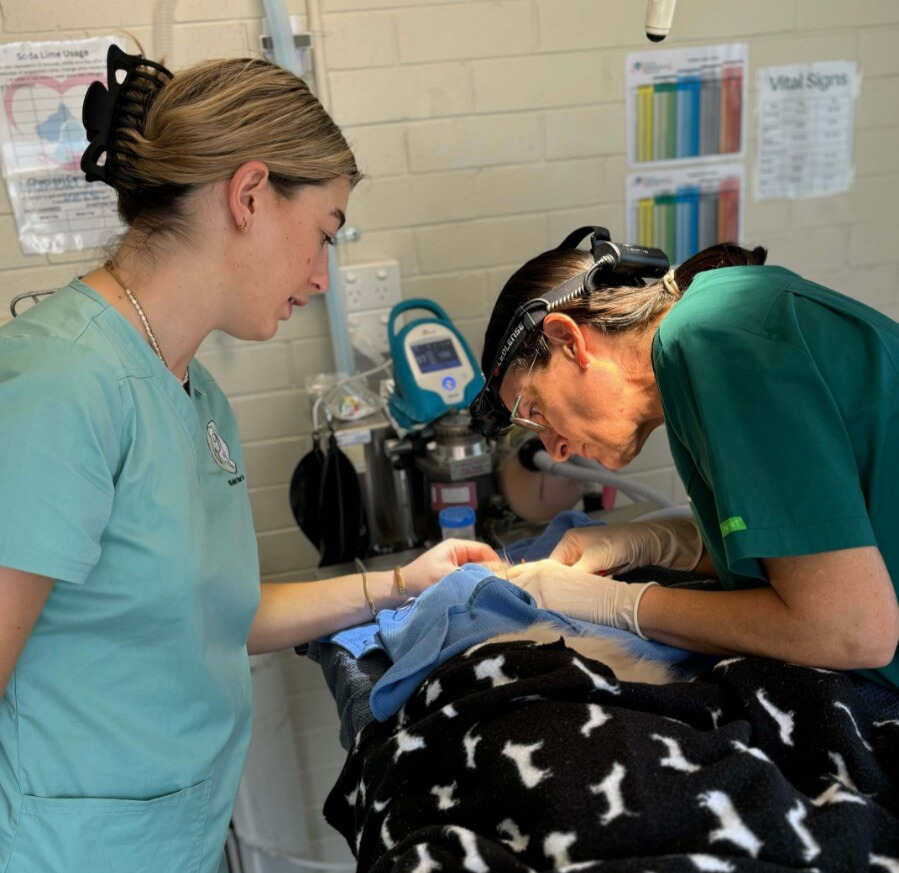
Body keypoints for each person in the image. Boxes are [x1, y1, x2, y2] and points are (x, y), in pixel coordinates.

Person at [0, 45, 498, 873]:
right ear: (251, 194)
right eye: (323, 235)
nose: (320, 275)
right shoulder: (61, 385)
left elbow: (214, 612)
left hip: (170, 837)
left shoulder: (193, 394)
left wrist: (403, 583)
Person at [470, 228, 899, 697]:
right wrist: (654, 543)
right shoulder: (702, 336)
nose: (555, 451)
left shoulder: (716, 343)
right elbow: (804, 547)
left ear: (568, 341)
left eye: (534, 411)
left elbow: (853, 631)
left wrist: (621, 604)